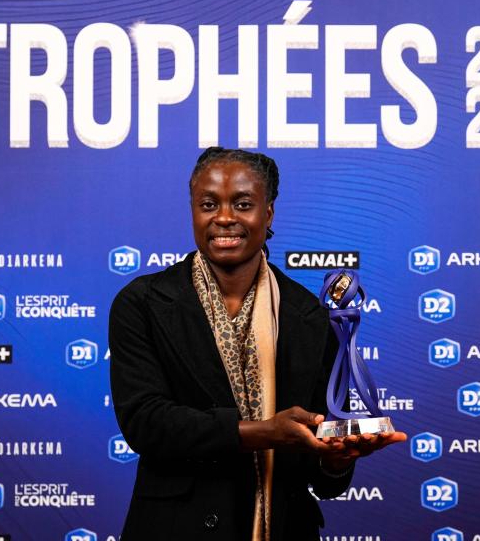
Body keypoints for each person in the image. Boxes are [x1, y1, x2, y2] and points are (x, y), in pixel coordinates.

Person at [109, 147, 406, 541]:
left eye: (243, 203)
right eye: (208, 203)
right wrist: (265, 432)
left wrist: (335, 459)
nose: (225, 217)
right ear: (193, 212)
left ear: (268, 214)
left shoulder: (311, 315)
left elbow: (325, 474)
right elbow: (146, 424)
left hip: (285, 527)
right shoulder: (143, 302)